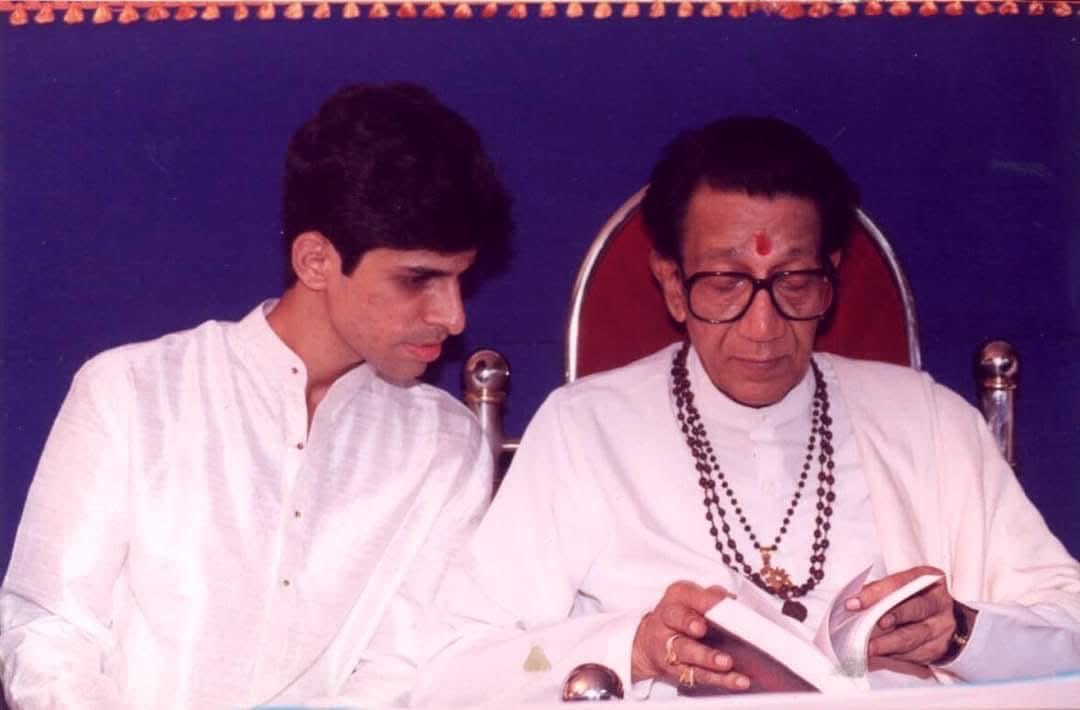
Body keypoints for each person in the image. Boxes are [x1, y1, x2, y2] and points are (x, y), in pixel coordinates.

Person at [411, 116, 1080, 705]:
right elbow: (456, 669)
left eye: (793, 282)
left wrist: (960, 631)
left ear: (831, 278)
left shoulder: (931, 424)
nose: (762, 328)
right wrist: (632, 648)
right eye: (725, 283)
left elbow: (1070, 632)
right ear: (672, 284)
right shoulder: (586, 430)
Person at [0, 82, 512, 708]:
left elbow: (404, 673)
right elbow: (49, 634)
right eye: (418, 281)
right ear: (316, 261)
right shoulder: (132, 394)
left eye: (461, 280)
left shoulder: (444, 444)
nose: (454, 317)